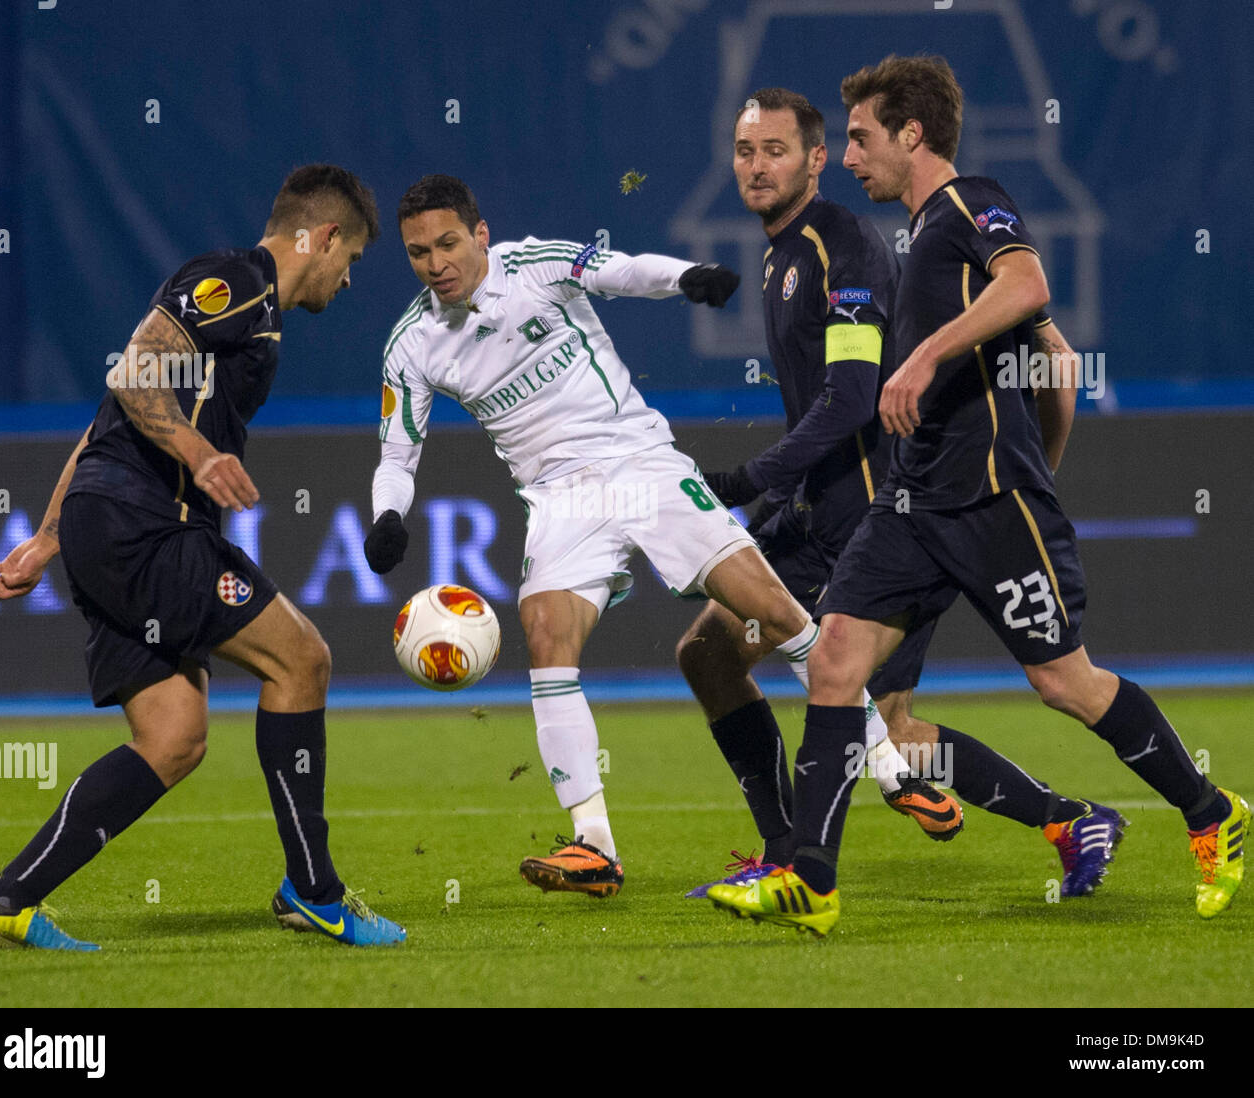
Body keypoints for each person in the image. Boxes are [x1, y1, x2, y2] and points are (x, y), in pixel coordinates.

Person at [707, 55, 1247, 935]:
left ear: (912, 134)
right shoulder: (922, 240)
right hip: (912, 509)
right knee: (837, 663)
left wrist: (956, 395)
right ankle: (812, 878)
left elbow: (1033, 292)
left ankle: (1209, 812)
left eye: (861, 137)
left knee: (1065, 684)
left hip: (993, 507)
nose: (848, 158)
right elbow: (1059, 363)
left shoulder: (968, 204)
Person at [365, 173, 897, 898]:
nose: (436, 263)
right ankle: (595, 845)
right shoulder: (413, 344)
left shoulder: (535, 266)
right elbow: (398, 453)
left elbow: (617, 271)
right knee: (546, 631)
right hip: (557, 496)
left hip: (638, 460)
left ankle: (895, 770)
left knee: (769, 611)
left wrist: (688, 278)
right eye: (418, 252)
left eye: (448, 243)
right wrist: (389, 516)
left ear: (480, 234)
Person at [683, 88, 1114, 902]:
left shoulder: (838, 243)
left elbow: (851, 401)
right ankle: (791, 850)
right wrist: (775, 503)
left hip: (876, 516)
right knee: (720, 658)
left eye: (777, 149)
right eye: (745, 151)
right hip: (818, 511)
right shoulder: (781, 253)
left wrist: (749, 483)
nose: (756, 166)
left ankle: (1064, 819)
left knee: (888, 723)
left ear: (814, 161)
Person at [0, 164, 406, 950]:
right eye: (355, 260)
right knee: (301, 659)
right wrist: (200, 457)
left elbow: (112, 415)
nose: (347, 281)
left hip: (111, 525)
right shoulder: (235, 280)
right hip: (148, 526)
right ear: (326, 236)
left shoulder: (258, 313)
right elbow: (135, 374)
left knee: (173, 736)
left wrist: (47, 537)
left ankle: (5, 900)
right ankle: (315, 892)